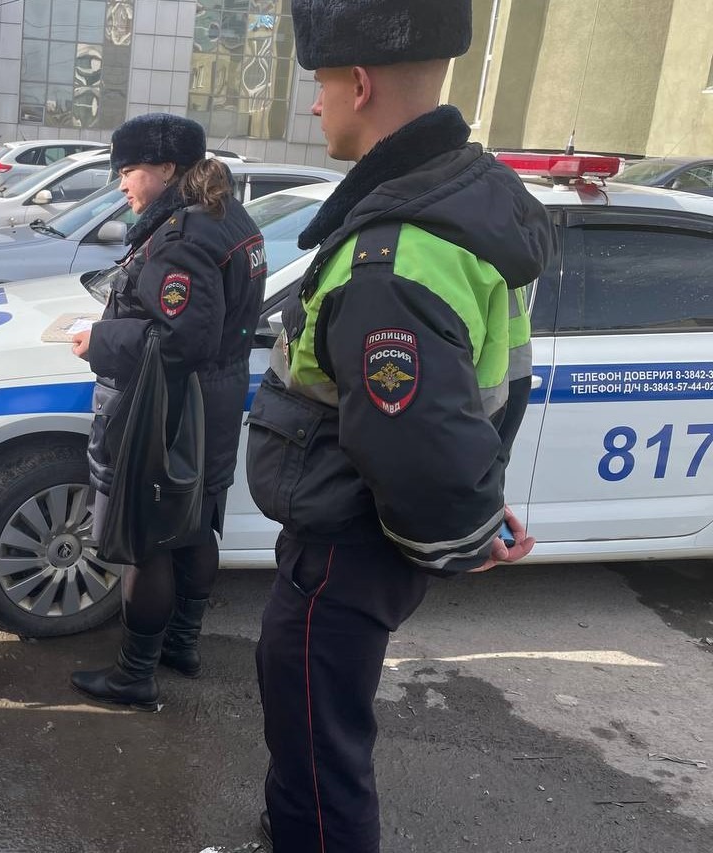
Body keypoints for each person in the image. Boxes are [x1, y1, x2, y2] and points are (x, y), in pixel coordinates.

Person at [248, 2, 555, 850]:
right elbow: (470, 398)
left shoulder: (393, 250)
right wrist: (482, 510)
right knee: (319, 733)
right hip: (364, 538)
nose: (316, 109)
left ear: (358, 82)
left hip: (345, 548)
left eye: (318, 88)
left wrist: (465, 523)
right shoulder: (463, 207)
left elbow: (413, 440)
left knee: (319, 755)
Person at [68, 114, 267, 708]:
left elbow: (181, 339)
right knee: (196, 523)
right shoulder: (225, 214)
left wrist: (99, 341)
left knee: (150, 539)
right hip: (215, 402)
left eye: (129, 171)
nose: (122, 184)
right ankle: (181, 645)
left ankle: (135, 673)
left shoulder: (182, 238)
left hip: (173, 409)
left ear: (167, 170)